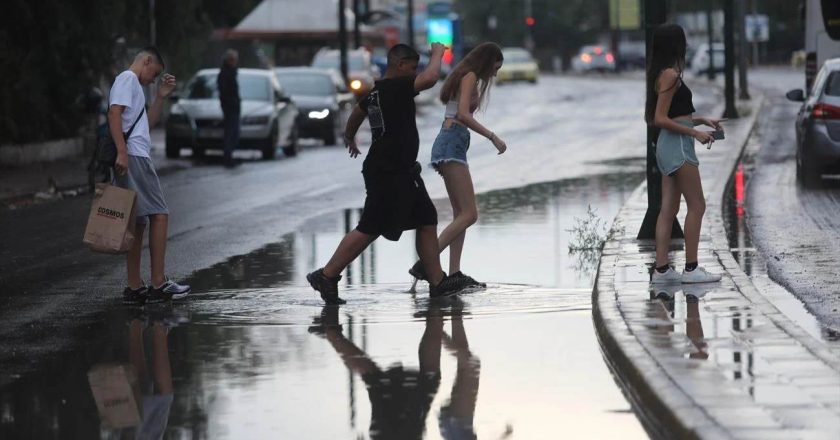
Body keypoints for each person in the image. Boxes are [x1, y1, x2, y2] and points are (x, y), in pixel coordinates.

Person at [306, 43, 472, 305]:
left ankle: (438, 282)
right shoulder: (396, 87)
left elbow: (358, 111)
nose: (415, 72)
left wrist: (349, 135)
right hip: (387, 171)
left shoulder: (377, 92)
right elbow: (430, 79)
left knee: (426, 218)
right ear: (399, 64)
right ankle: (326, 275)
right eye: (412, 66)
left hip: (402, 170)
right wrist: (438, 54)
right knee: (370, 226)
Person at [408, 43, 507, 288]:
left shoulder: (466, 75)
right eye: (495, 68)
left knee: (460, 215)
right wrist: (493, 136)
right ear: (486, 62)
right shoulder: (470, 76)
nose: (494, 74)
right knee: (470, 214)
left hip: (452, 143)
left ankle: (453, 273)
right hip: (451, 143)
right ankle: (426, 263)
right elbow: (462, 114)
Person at [108, 47, 191, 304]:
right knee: (160, 214)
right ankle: (158, 283)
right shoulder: (127, 79)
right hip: (134, 157)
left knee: (139, 222)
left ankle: (135, 287)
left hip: (134, 154)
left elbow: (146, 124)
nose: (153, 80)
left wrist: (160, 97)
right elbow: (114, 113)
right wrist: (122, 152)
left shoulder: (134, 86)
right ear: (146, 61)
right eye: (154, 74)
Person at [646, 24, 723, 285]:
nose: (687, 45)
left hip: (671, 144)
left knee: (669, 208)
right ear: (675, 45)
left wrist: (701, 121)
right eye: (683, 40)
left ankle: (662, 271)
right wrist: (694, 134)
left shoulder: (663, 73)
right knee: (697, 205)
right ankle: (691, 269)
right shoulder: (670, 75)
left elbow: (677, 114)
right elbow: (659, 118)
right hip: (678, 145)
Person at [217, 49, 240, 168]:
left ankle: (229, 155)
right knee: (230, 132)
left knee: (232, 132)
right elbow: (226, 92)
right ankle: (227, 156)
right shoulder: (226, 73)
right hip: (230, 107)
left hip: (232, 107)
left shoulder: (230, 72)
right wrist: (232, 103)